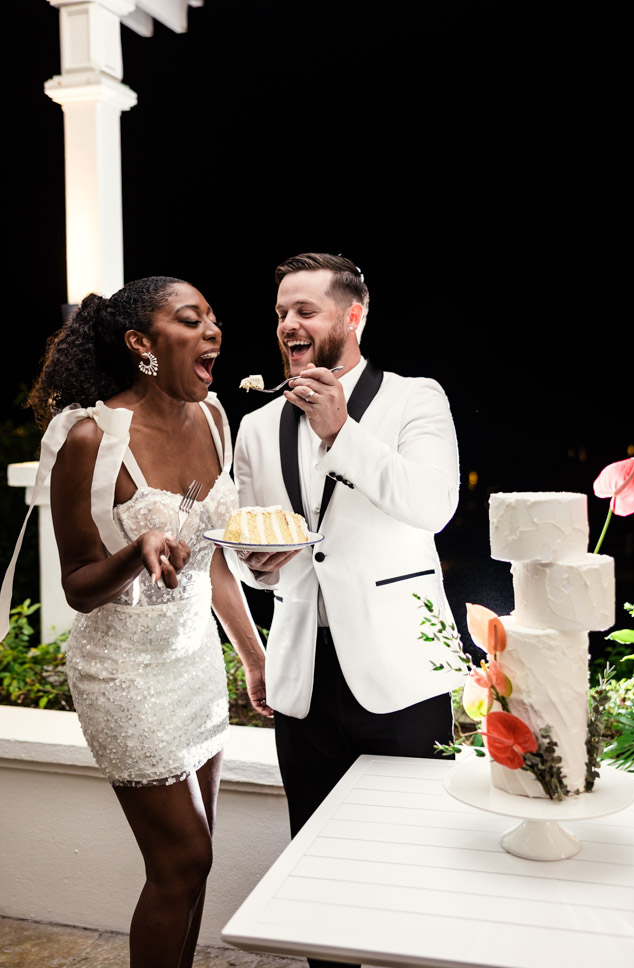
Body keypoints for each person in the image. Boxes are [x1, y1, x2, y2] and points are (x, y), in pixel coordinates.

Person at [0, 276, 271, 968]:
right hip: (122, 673)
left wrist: (252, 654)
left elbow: (210, 561)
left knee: (194, 860)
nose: (212, 330)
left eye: (213, 316)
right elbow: (79, 584)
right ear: (140, 344)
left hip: (194, 660)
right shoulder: (90, 438)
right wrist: (135, 551)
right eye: (190, 319)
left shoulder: (214, 416)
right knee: (183, 856)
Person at [229, 252, 459, 968]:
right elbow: (254, 546)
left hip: (401, 673)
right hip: (303, 674)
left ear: (353, 315)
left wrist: (339, 431)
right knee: (317, 864)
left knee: (411, 864)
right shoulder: (257, 425)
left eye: (305, 309)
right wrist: (256, 565)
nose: (288, 325)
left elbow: (432, 506)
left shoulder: (415, 399)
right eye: (279, 314)